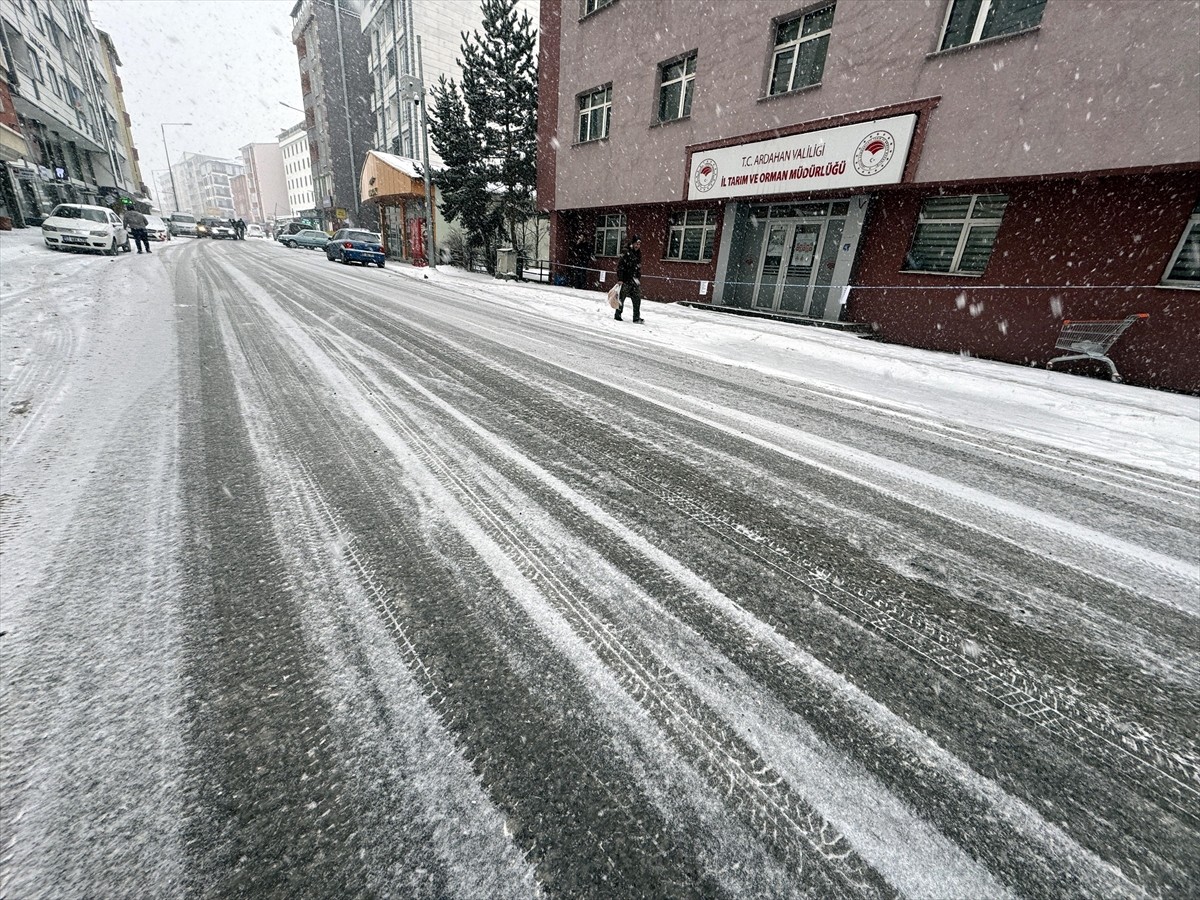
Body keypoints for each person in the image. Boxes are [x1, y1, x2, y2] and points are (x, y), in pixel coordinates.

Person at [615, 234, 644, 323]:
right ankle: (618, 315)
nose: (637, 246)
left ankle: (636, 318)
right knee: (621, 298)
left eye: (639, 244)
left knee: (637, 299)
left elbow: (638, 267)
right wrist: (620, 279)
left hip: (634, 280)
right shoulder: (626, 253)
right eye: (636, 244)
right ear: (632, 243)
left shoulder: (638, 254)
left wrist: (638, 278)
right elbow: (620, 267)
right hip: (625, 280)